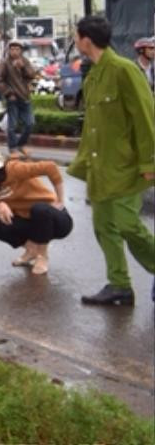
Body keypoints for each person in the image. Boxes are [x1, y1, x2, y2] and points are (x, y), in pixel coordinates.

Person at [67, 16, 155, 307]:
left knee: (128, 225)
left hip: (126, 168)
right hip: (101, 168)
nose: (74, 40)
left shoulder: (124, 70)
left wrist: (149, 163)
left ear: (86, 40)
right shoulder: (93, 75)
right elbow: (94, 126)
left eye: (75, 36)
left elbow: (145, 118)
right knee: (104, 226)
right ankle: (120, 285)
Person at [0, 142, 72, 275]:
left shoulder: (13, 169)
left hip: (55, 220)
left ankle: (42, 256)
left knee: (39, 209)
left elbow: (50, 167)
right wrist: (0, 205)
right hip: (31, 223)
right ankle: (31, 250)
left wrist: (60, 200)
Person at [0, 40, 38, 157]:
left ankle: (21, 144)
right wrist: (8, 93)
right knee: (12, 126)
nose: (14, 51)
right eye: (12, 49)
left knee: (30, 123)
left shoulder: (25, 61)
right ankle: (12, 148)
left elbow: (32, 75)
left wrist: (23, 68)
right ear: (9, 50)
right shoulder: (4, 63)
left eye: (17, 49)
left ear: (21, 51)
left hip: (25, 97)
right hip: (12, 98)